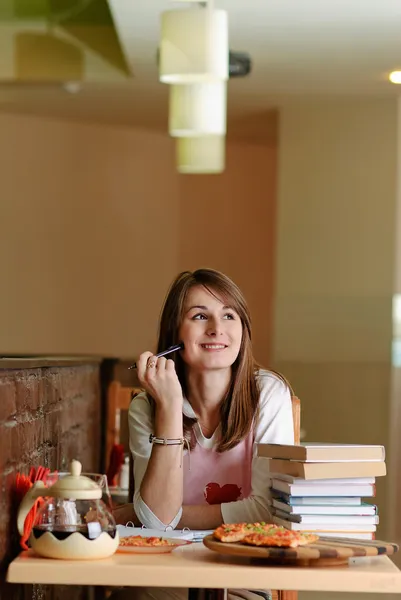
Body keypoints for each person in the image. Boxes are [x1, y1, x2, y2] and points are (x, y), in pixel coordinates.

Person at [113, 268, 295, 600]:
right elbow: (156, 521)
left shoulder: (268, 393)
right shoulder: (147, 407)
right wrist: (168, 407)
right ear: (174, 333)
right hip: (164, 574)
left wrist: (173, 516)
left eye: (229, 315)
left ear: (243, 330)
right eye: (200, 316)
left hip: (240, 574)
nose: (217, 329)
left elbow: (269, 512)